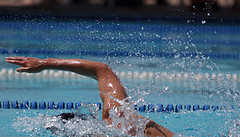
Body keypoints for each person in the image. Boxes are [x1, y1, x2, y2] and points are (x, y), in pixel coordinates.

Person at [6, 57, 175, 137]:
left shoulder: (119, 121)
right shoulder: (118, 118)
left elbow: (102, 70)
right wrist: (44, 64)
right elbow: (102, 69)